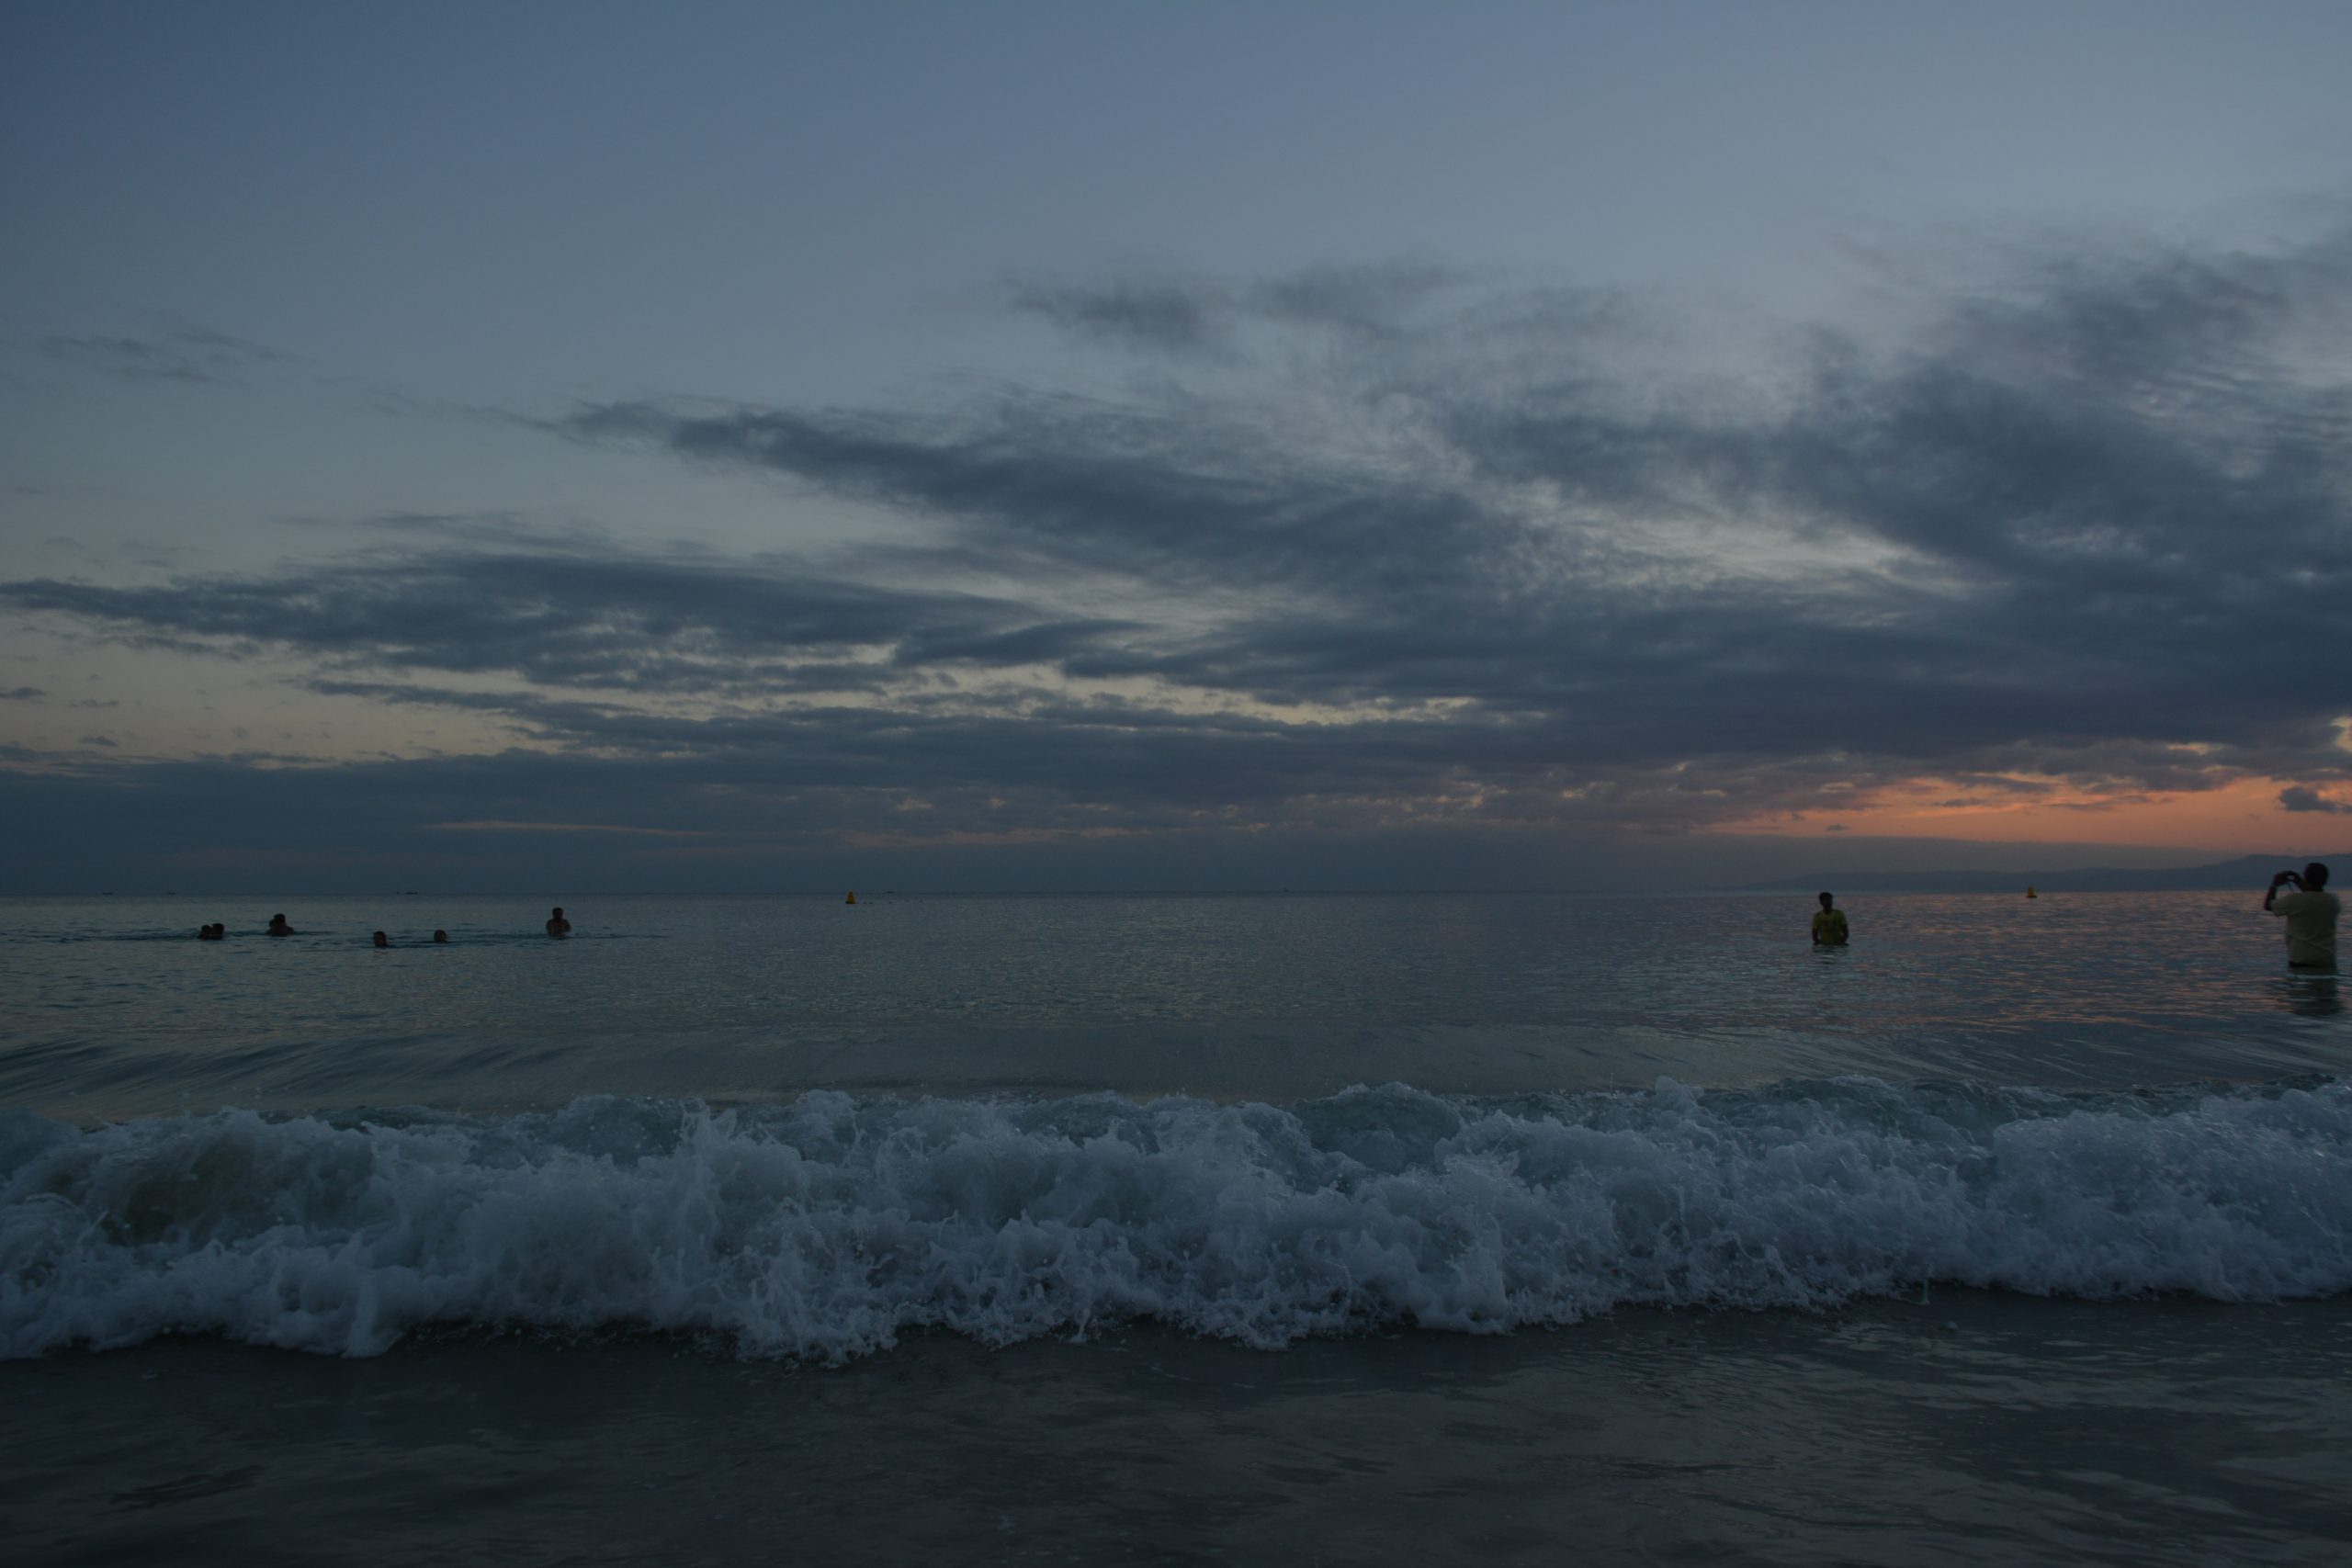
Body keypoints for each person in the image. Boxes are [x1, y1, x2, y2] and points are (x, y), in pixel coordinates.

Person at [2265, 863, 2339, 970]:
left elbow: (2268, 905)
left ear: (2306, 878)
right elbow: (2312, 897)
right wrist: (2298, 881)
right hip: (2327, 961)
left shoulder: (2294, 900)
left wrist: (2274, 885)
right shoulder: (2334, 901)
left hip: (2301, 961)